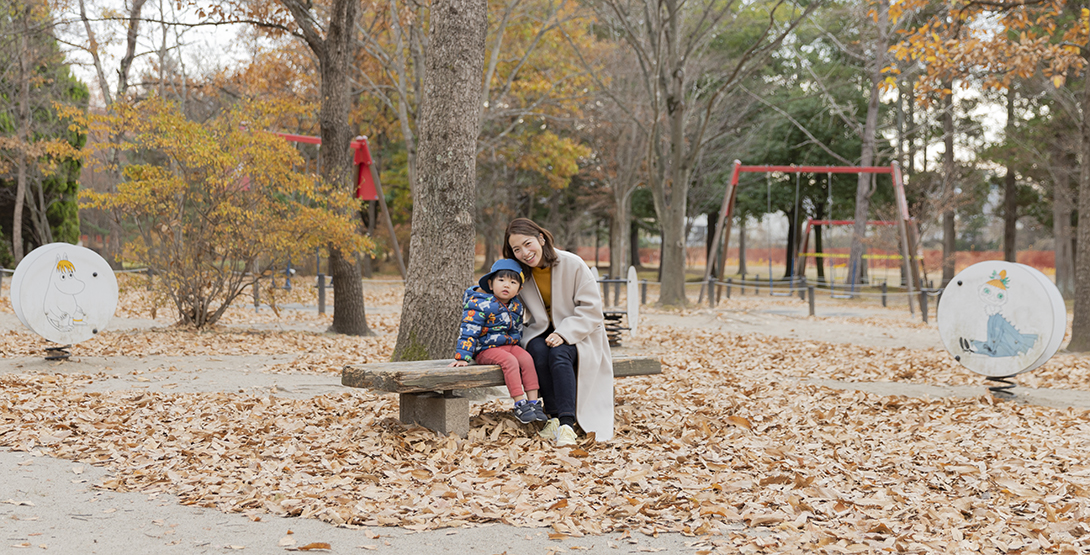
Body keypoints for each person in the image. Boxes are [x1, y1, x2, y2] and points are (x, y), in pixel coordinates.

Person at [504, 218, 614, 446]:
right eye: (517, 249)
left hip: (580, 334)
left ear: (541, 238)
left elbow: (592, 310)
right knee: (536, 349)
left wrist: (564, 334)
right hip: (542, 332)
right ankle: (552, 417)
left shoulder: (573, 264)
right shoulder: (522, 274)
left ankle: (566, 423)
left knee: (558, 354)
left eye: (528, 244)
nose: (525, 252)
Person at [449, 259, 548, 424]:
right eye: (501, 280)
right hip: (485, 349)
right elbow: (469, 331)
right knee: (510, 361)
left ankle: (533, 403)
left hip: (509, 345)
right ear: (491, 283)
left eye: (512, 282)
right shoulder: (479, 304)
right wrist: (462, 356)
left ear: (519, 290)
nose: (506, 285)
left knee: (527, 359)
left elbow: (516, 330)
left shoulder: (515, 306)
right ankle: (519, 403)